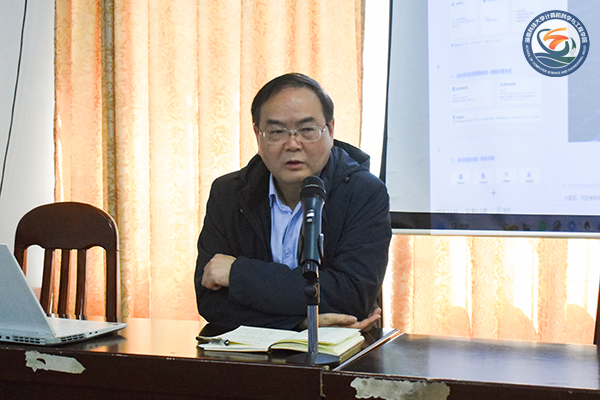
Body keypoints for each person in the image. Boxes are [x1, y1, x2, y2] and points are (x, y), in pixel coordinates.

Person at [194, 73, 391, 331]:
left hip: (337, 351)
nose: (293, 144)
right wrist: (300, 323)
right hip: (248, 352)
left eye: (307, 130)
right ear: (258, 134)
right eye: (277, 132)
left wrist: (238, 274)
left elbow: (351, 297)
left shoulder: (364, 193)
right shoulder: (228, 193)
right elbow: (211, 301)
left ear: (330, 130)